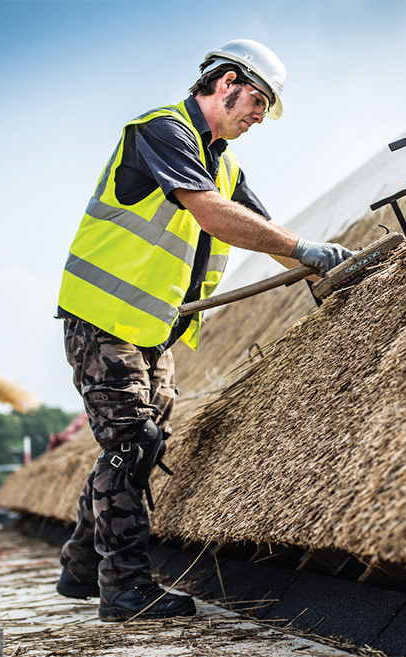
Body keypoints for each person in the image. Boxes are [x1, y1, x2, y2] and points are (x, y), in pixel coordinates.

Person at [54, 39, 352, 622]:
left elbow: (262, 229)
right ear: (227, 81)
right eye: (259, 100)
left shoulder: (224, 161)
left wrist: (328, 266)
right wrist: (308, 251)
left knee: (140, 446)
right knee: (130, 445)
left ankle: (82, 563)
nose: (260, 116)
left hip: (153, 330)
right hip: (102, 317)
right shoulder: (162, 132)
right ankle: (124, 590)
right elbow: (214, 216)